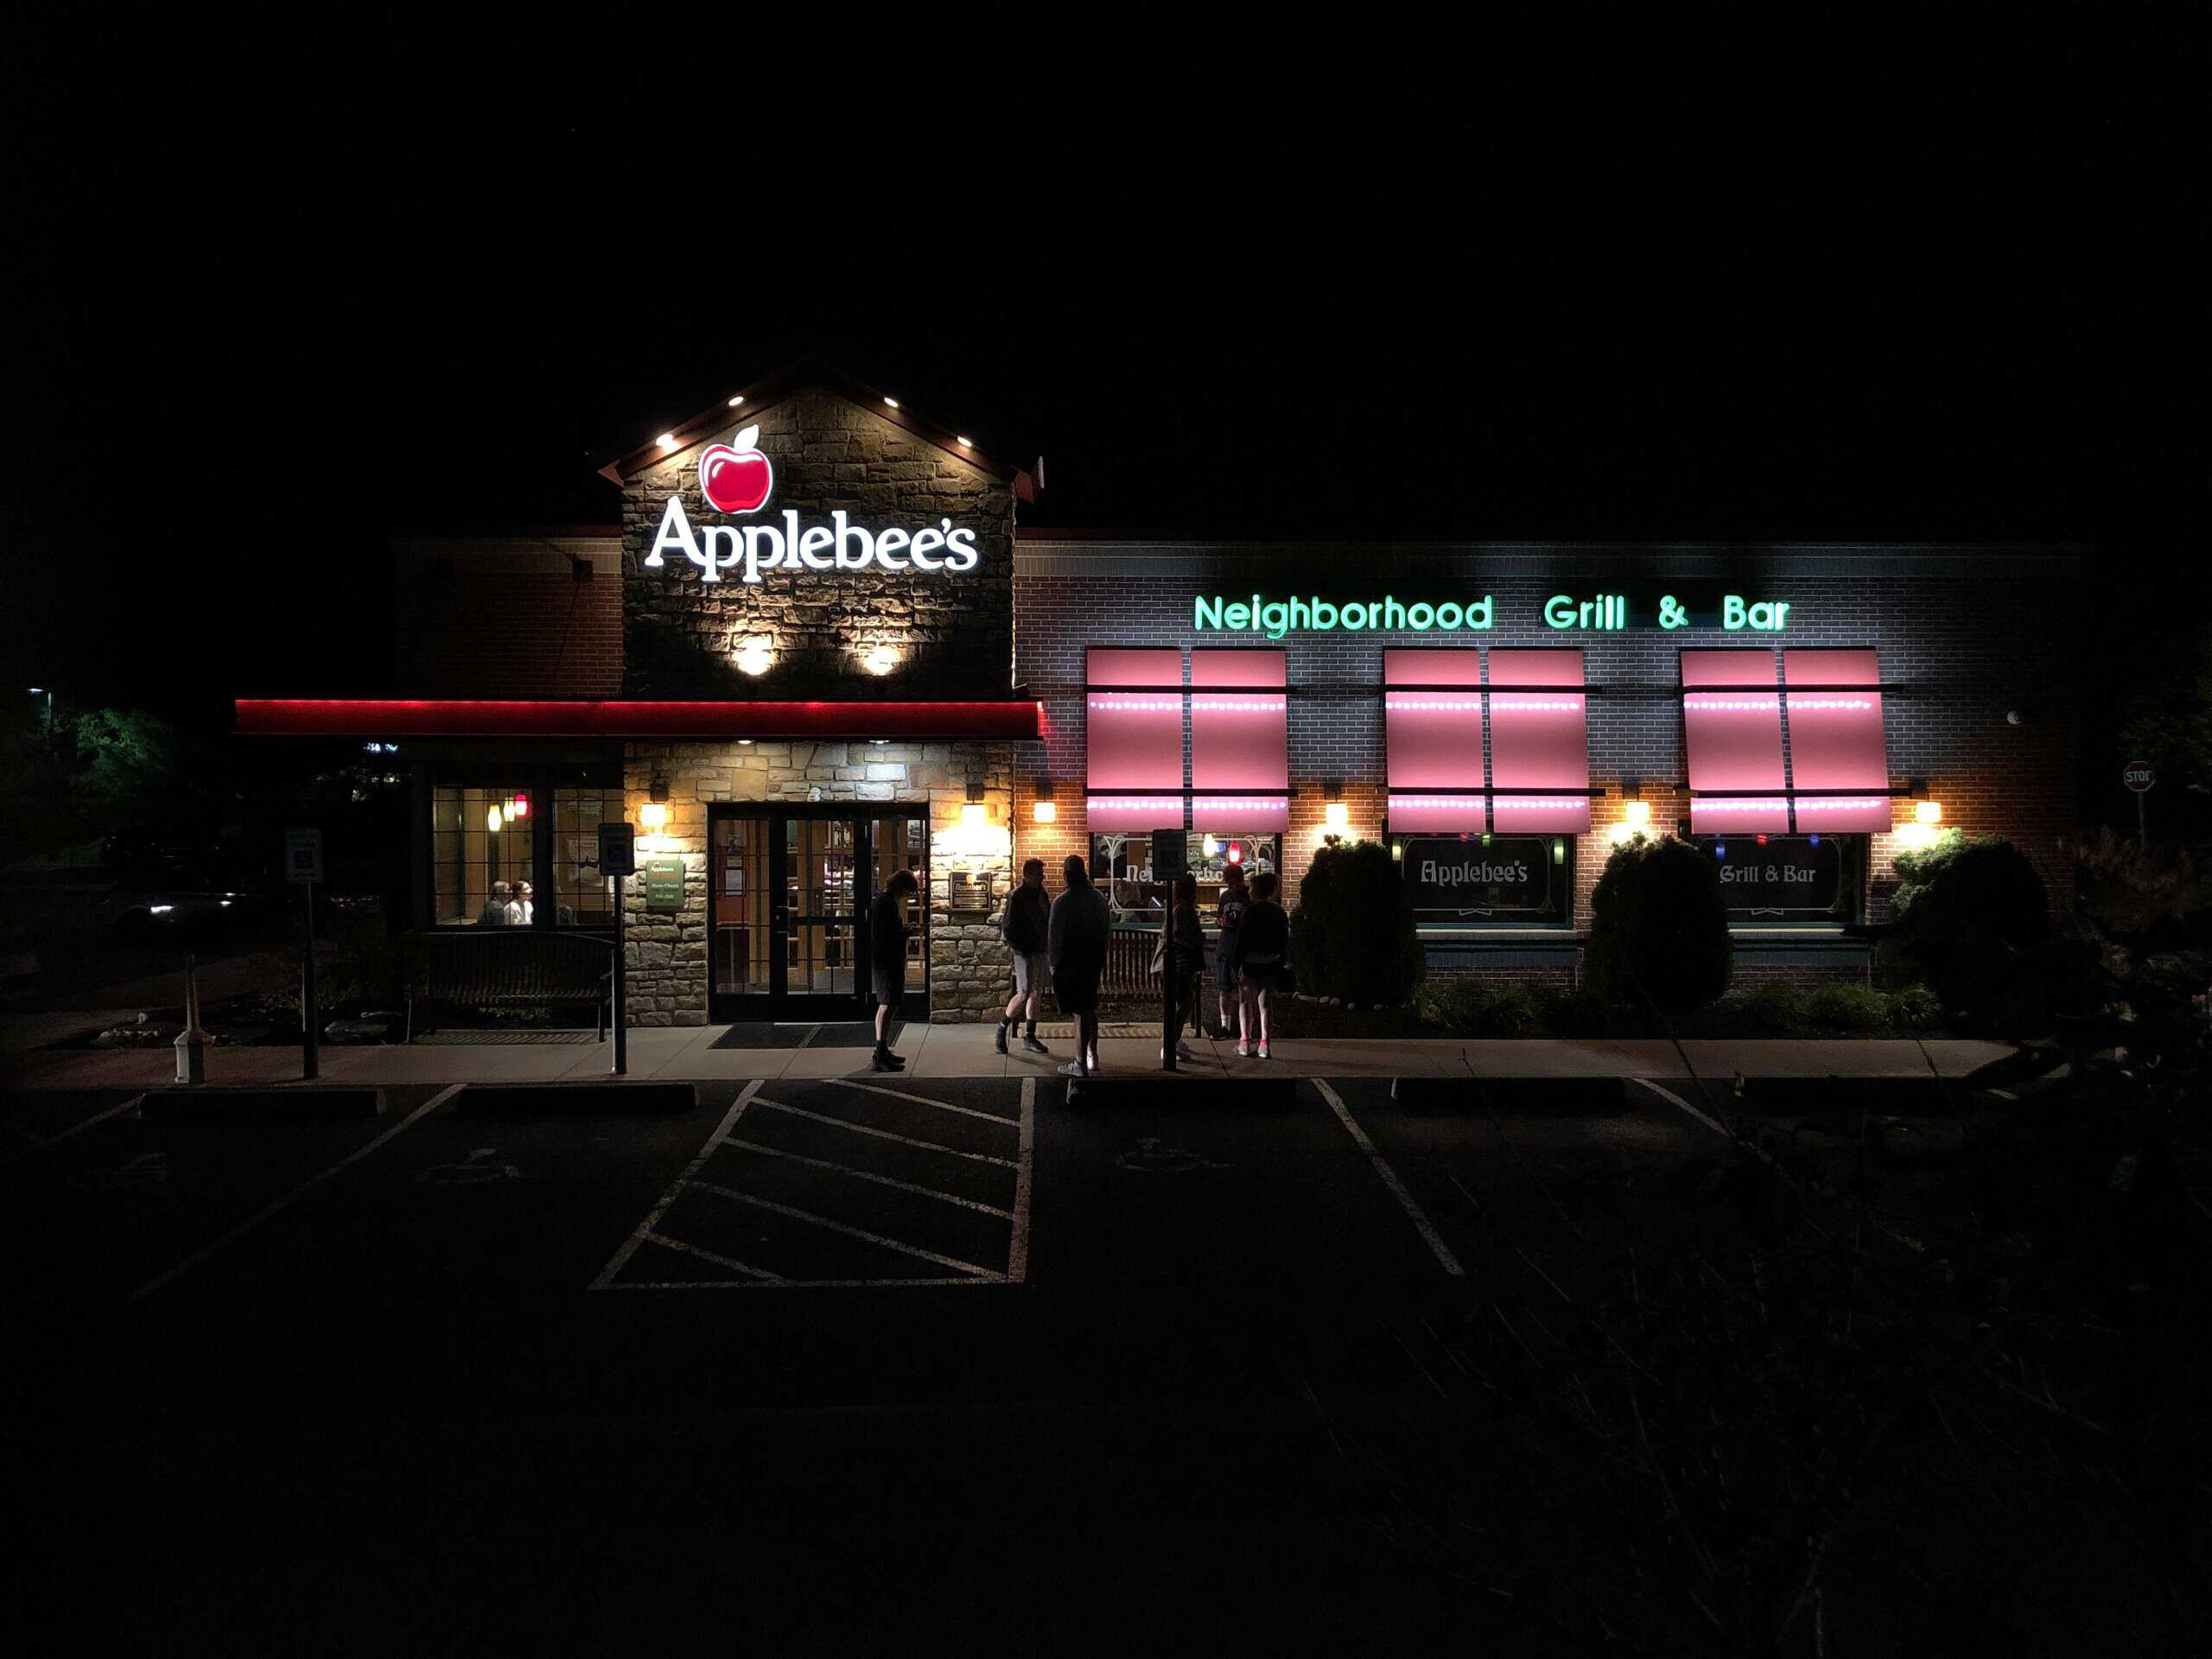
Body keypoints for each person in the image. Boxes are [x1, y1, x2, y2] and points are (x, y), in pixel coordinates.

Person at [1047, 853, 1109, 1077]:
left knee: (1080, 1013)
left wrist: (1054, 967)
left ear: (1066, 875)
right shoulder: (1098, 899)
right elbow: (1106, 931)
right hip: (1093, 961)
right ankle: (1093, 1056)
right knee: (1089, 1008)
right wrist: (1102, 957)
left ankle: (1080, 1061)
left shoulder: (1062, 902)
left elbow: (1054, 938)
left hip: (1071, 963)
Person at [995, 857, 1052, 1057]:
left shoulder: (1040, 894)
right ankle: (1002, 1028)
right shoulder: (1017, 896)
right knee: (1024, 991)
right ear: (1027, 875)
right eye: (1038, 873)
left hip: (1039, 949)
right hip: (1024, 951)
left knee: (1036, 991)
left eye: (1041, 874)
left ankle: (1030, 1035)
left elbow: (1047, 918)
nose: (1042, 877)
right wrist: (1019, 947)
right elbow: (1009, 926)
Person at [1231, 868, 1288, 1060]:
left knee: (1245, 1001)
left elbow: (1241, 940)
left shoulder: (1249, 912)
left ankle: (1245, 1042)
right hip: (1270, 962)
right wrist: (1281, 961)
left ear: (1256, 890)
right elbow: (1283, 941)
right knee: (1265, 1004)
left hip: (1249, 961)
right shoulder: (1279, 913)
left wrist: (1236, 963)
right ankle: (1265, 1044)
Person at [868, 868, 918, 1072]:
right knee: (888, 1004)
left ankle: (883, 1049)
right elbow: (889, 935)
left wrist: (904, 930)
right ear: (901, 886)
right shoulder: (886, 903)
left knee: (888, 1003)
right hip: (887, 960)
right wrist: (907, 932)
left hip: (885, 959)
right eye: (907, 892)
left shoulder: (885, 901)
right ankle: (880, 1053)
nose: (906, 896)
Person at [1164, 872, 1207, 1063]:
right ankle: (1170, 1043)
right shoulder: (1183, 910)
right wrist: (1198, 939)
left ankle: (1173, 1041)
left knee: (1183, 1004)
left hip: (1179, 964)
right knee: (1184, 1004)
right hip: (1182, 964)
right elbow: (1179, 935)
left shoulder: (1178, 909)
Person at [1214, 861, 1249, 1037]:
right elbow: (1218, 917)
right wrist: (1221, 921)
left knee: (1242, 989)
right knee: (1224, 988)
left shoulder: (1247, 898)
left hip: (1240, 949)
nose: (1228, 884)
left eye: (1230, 880)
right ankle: (1225, 1026)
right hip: (1224, 947)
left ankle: (1241, 1028)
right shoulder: (1225, 897)